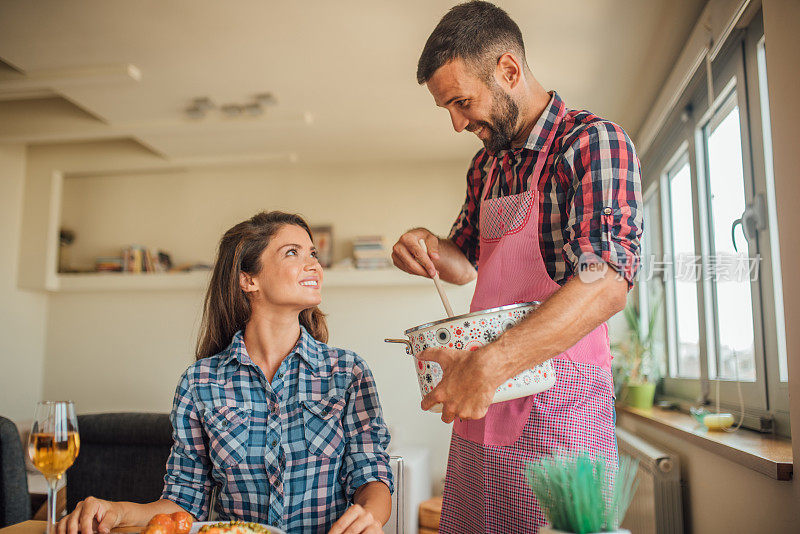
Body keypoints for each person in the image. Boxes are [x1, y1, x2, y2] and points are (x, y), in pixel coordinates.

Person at [391, 2, 643, 532]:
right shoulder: (487, 165)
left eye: (462, 102)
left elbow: (606, 282)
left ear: (508, 70)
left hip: (559, 405)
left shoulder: (591, 143)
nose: (458, 123)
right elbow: (465, 263)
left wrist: (489, 365)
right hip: (484, 401)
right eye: (448, 110)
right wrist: (427, 246)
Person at [59, 211, 393, 534]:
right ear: (249, 279)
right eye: (293, 252)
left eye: (313, 253)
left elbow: (371, 477)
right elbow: (183, 503)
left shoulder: (347, 372)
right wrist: (117, 511)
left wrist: (368, 517)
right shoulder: (199, 382)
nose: (314, 265)